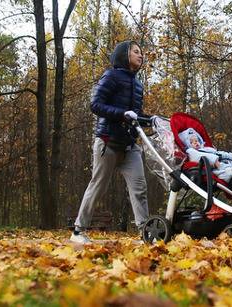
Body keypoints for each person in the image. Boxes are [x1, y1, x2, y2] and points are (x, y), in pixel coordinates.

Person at [71, 40, 149, 244]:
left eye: (141, 53)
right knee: (98, 185)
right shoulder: (111, 76)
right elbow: (95, 104)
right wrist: (122, 114)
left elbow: (137, 115)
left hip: (130, 145)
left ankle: (145, 233)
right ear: (124, 54)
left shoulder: (138, 84)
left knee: (139, 188)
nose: (141, 55)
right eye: (136, 52)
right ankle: (78, 231)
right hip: (109, 142)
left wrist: (150, 119)